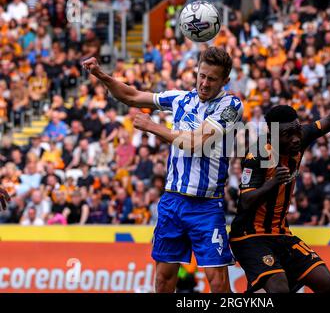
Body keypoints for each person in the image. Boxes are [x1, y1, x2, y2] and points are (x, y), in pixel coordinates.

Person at [82, 46, 243, 293]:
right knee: (163, 279)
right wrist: (102, 76)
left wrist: (152, 126)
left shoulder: (230, 105)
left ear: (225, 80)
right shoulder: (180, 99)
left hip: (206, 205)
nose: (204, 83)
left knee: (219, 283)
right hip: (173, 201)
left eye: (212, 79)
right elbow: (132, 96)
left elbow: (196, 142)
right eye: (202, 75)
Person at [230, 83, 330, 293]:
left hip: (281, 233)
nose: (296, 138)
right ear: (272, 135)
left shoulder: (299, 139)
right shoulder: (258, 155)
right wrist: (272, 184)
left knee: (329, 284)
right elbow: (245, 202)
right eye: (288, 134)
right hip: (249, 236)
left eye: (297, 130)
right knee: (279, 290)